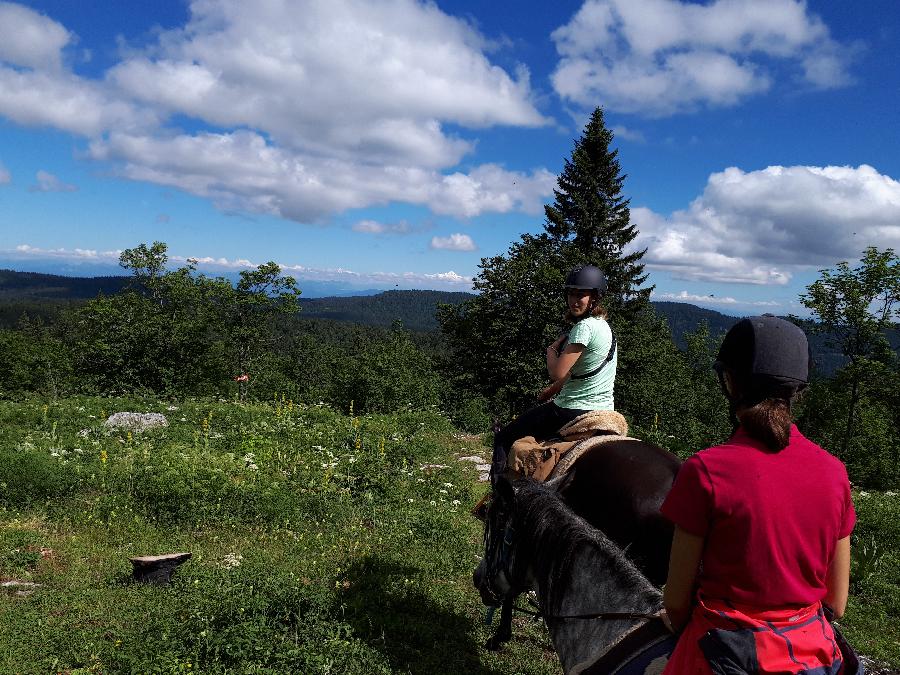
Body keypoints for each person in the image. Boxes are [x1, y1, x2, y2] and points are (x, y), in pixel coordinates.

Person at [660, 315, 856, 674]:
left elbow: (674, 602)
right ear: (797, 390)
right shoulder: (835, 472)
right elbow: (836, 603)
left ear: (731, 383)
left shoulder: (705, 470)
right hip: (812, 654)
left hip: (724, 653)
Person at [489, 264, 618, 484]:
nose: (574, 300)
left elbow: (557, 372)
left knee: (503, 437)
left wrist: (551, 352)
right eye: (570, 294)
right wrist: (550, 392)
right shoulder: (604, 327)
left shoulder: (584, 328)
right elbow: (581, 371)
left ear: (595, 298)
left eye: (581, 295)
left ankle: (498, 497)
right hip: (604, 408)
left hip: (572, 409)